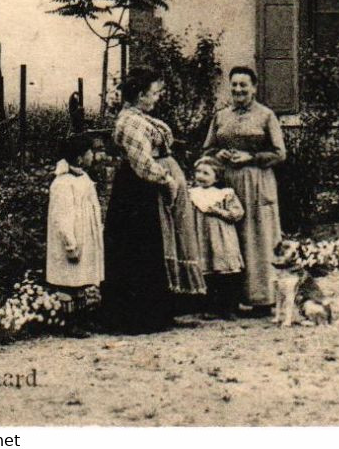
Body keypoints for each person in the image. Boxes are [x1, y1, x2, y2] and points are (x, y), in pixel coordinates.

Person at [102, 68, 206, 333]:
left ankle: (157, 311)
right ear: (139, 94)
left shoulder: (140, 117)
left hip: (145, 191)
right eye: (154, 92)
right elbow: (142, 162)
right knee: (138, 249)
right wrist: (167, 178)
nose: (157, 97)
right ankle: (137, 317)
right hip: (136, 192)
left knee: (153, 247)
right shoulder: (130, 121)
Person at [203, 65, 287, 314]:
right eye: (235, 84)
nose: (238, 89)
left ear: (254, 88)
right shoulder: (221, 116)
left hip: (257, 183)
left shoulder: (265, 116)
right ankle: (229, 300)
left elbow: (280, 153)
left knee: (257, 236)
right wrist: (218, 153)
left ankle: (261, 298)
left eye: (244, 85)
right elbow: (207, 148)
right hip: (227, 184)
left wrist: (250, 157)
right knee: (228, 239)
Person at [46, 133, 104, 336]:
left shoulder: (83, 178)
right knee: (68, 282)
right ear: (80, 158)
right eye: (90, 152)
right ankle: (70, 324)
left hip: (85, 235)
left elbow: (93, 206)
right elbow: (62, 217)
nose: (93, 156)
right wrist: (70, 244)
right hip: (72, 238)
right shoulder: (62, 183)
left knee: (79, 281)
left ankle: (81, 319)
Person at [188, 157, 246, 320]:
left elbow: (238, 213)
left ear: (217, 177)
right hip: (201, 237)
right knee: (207, 272)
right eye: (198, 172)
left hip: (222, 238)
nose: (200, 176)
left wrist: (219, 212)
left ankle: (228, 308)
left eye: (206, 173)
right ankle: (209, 307)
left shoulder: (224, 194)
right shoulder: (192, 194)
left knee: (225, 272)